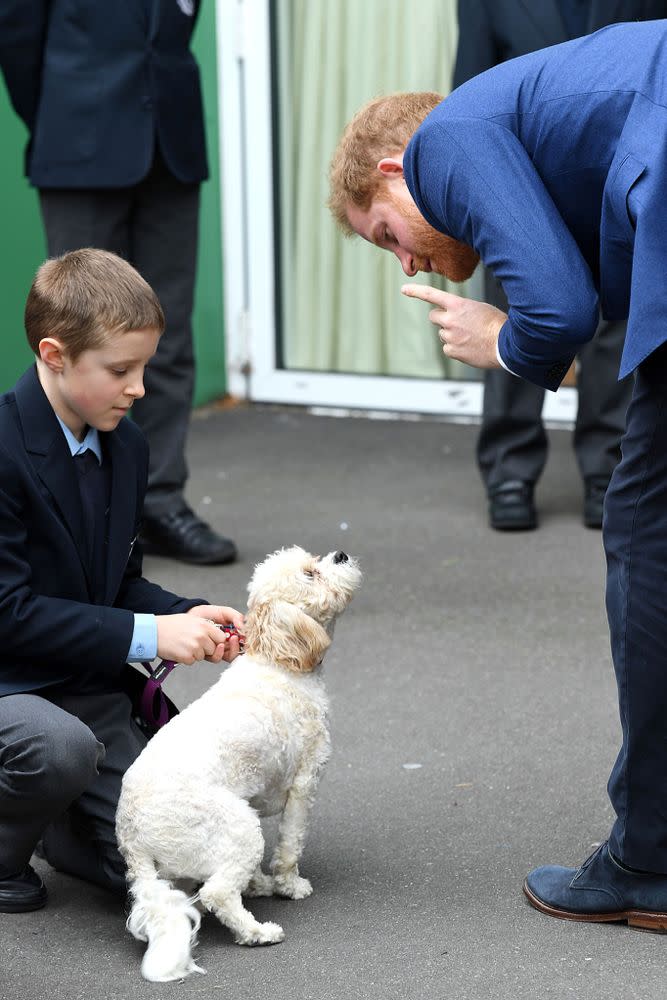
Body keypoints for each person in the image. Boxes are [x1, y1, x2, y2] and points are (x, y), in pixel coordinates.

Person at [329, 21, 667, 928]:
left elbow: (553, 311)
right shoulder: (538, 133)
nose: (404, 260)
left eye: (384, 234)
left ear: (397, 166)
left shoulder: (447, 140)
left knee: (646, 542)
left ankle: (648, 859)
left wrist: (504, 343)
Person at [0, 249, 245, 914]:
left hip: (83, 684)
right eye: (119, 370)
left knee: (190, 863)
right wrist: (150, 633)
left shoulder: (125, 445)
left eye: (144, 366)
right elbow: (8, 614)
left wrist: (189, 614)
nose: (139, 388)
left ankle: (68, 827)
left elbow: (116, 585)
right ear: (54, 354)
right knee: (58, 748)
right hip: (12, 686)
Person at [0, 0, 237, 565]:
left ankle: (159, 503)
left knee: (169, 335)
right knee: (81, 338)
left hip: (172, 147)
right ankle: (73, 513)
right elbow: (17, 33)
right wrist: (61, 114)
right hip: (79, 139)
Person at [453, 1, 667, 532]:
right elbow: (468, 83)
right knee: (511, 308)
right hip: (516, 182)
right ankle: (509, 470)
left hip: (617, 175)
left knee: (616, 325)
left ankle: (606, 468)